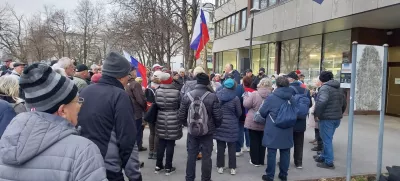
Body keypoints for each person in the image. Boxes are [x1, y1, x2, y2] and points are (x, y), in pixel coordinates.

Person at [0, 63, 107, 180]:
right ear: (62, 110)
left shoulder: (5, 143)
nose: (80, 105)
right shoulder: (83, 151)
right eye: (77, 101)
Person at [77, 52, 142, 181]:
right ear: (122, 76)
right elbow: (127, 139)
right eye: (128, 76)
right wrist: (134, 176)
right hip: (109, 168)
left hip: (84, 164)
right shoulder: (119, 96)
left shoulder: (85, 91)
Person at [179, 73, 223, 181]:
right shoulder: (212, 96)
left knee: (191, 156)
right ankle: (206, 179)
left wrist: (188, 125)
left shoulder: (187, 95)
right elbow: (218, 117)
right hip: (207, 131)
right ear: (207, 82)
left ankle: (189, 178)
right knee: (206, 157)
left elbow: (181, 115)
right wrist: (214, 126)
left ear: (197, 82)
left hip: (192, 132)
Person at [256, 76, 294, 181]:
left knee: (271, 152)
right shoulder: (292, 96)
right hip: (287, 127)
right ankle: (283, 174)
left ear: (276, 85)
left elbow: (263, 113)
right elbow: (296, 110)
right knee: (285, 151)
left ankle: (270, 175)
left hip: (273, 128)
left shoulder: (272, 97)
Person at [314, 71, 347, 169]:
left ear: (321, 79)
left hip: (327, 118)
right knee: (327, 138)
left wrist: (317, 115)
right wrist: (340, 113)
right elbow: (344, 103)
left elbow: (322, 102)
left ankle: (329, 162)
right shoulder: (339, 88)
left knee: (327, 139)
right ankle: (323, 156)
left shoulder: (324, 88)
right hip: (336, 117)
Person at [154, 71, 183, 176]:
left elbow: (156, 103)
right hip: (173, 117)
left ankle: (158, 165)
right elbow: (180, 104)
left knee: (161, 142)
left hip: (161, 117)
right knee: (170, 143)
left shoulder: (158, 91)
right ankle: (168, 167)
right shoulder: (176, 92)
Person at [215, 78, 242, 175]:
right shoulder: (235, 98)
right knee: (232, 147)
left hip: (220, 124)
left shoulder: (217, 96)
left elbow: (215, 110)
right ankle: (232, 168)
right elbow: (239, 113)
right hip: (232, 125)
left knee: (220, 146)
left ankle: (220, 166)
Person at [243, 78, 272, 167]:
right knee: (263, 141)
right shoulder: (271, 95)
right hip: (266, 120)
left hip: (253, 120)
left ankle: (254, 160)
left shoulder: (254, 94)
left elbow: (246, 105)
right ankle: (261, 160)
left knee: (254, 140)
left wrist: (245, 97)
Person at [286, 71, 311, 169]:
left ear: (291, 79)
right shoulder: (306, 90)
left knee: (287, 142)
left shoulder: (287, 89)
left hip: (289, 119)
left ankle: (285, 162)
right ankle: (298, 162)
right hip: (301, 120)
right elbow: (310, 104)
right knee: (299, 142)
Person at [126, 66, 147, 152]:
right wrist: (145, 106)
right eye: (134, 71)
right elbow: (140, 99)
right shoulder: (135, 84)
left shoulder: (125, 83)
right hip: (136, 110)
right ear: (131, 73)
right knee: (138, 129)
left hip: (128, 110)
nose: (136, 73)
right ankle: (138, 146)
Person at [145, 71, 164, 160]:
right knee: (157, 133)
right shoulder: (160, 88)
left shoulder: (148, 87)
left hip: (149, 111)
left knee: (151, 133)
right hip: (158, 111)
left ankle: (151, 152)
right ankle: (156, 152)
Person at [309, 78, 323, 152]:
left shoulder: (322, 89)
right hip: (316, 108)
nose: (315, 83)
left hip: (319, 111)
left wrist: (314, 95)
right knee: (316, 126)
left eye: (316, 81)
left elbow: (319, 100)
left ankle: (319, 143)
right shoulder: (318, 88)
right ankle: (317, 139)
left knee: (319, 127)